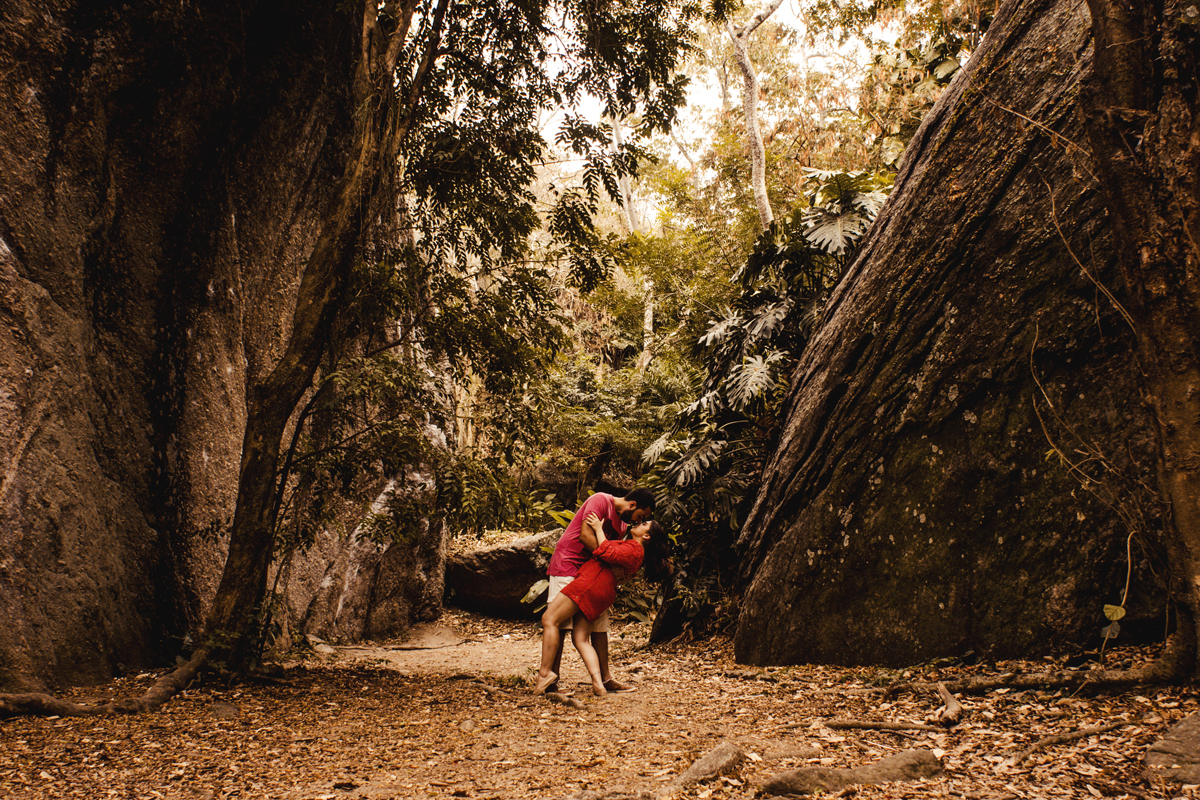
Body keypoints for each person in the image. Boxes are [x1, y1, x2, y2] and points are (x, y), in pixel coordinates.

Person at [536, 513, 669, 695]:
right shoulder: (638, 553)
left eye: (644, 524)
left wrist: (598, 529)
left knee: (549, 619)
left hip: (589, 585)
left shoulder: (634, 548)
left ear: (647, 536)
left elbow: (607, 551)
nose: (639, 523)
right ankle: (598, 683)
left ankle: (545, 674)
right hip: (601, 591)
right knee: (580, 639)